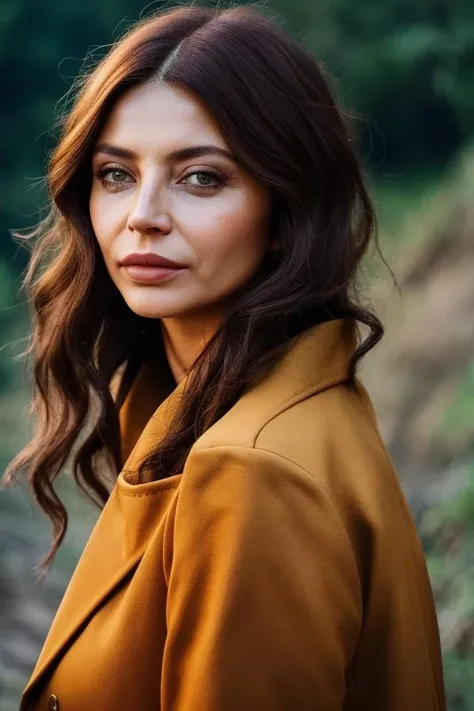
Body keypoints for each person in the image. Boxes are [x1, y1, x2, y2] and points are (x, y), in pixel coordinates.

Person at [4, 4, 446, 710]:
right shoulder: (264, 403)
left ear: (286, 209)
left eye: (201, 178)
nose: (142, 213)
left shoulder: (250, 469)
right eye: (115, 174)